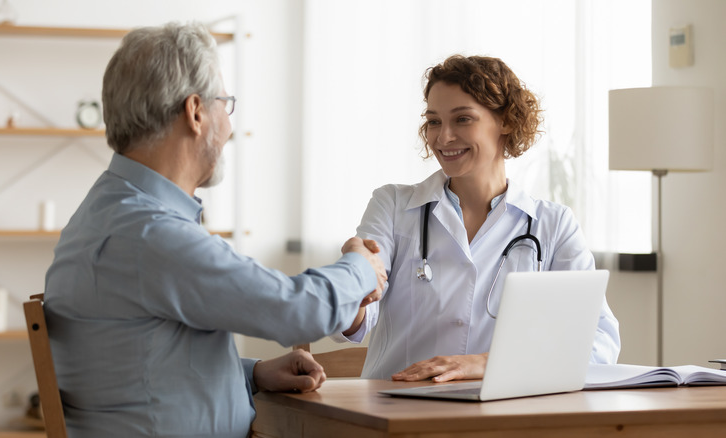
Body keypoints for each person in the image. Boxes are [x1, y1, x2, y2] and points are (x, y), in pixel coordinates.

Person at [43, 22, 386, 438]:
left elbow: (137, 364)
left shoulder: (104, 213)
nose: (228, 126)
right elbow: (297, 311)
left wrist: (250, 373)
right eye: (225, 103)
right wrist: (361, 266)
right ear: (196, 112)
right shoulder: (151, 234)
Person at [335, 54, 620, 381]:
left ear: (507, 121)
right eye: (434, 121)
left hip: (500, 415)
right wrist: (353, 286)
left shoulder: (553, 226)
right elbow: (356, 320)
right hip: (396, 412)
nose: (443, 138)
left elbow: (599, 341)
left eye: (463, 119)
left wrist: (488, 363)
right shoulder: (393, 205)